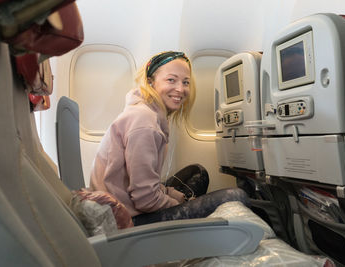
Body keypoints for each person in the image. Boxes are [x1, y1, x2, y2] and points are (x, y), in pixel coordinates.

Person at [90, 51, 248, 226]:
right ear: (151, 82)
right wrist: (181, 204)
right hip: (126, 220)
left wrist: (172, 194)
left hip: (125, 205)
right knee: (235, 197)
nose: (180, 89)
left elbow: (147, 184)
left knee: (198, 173)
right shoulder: (144, 123)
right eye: (171, 80)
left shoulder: (146, 112)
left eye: (185, 82)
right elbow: (146, 200)